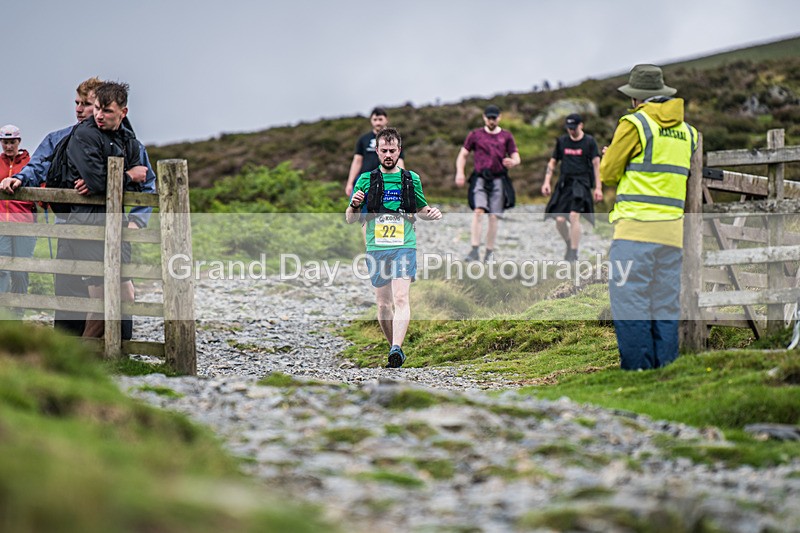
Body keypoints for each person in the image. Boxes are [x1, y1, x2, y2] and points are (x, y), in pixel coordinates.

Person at [0, 77, 156, 336]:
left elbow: (146, 182)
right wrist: (20, 178)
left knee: (114, 285)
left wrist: (136, 221)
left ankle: (117, 345)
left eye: (88, 103)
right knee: (70, 286)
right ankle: (70, 349)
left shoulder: (128, 142)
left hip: (110, 225)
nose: (81, 109)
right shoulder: (60, 138)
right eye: (78, 103)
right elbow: (38, 164)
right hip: (67, 225)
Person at [600, 64, 698, 371]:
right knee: (665, 306)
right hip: (672, 234)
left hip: (635, 231)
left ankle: (638, 372)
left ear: (636, 98)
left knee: (631, 304)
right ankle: (666, 371)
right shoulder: (689, 133)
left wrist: (611, 154)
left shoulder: (635, 124)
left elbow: (608, 173)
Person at [346, 127, 441, 368]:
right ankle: (393, 347)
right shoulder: (366, 179)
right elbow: (350, 219)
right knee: (383, 304)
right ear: (377, 151)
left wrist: (432, 213)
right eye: (384, 150)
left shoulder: (411, 179)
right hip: (376, 246)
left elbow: (422, 209)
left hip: (404, 245)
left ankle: (397, 348)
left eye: (393, 150)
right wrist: (355, 205)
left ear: (399, 150)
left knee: (401, 297)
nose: (388, 154)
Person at [63, 81, 148, 338]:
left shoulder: (127, 139)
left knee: (125, 294)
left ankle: (114, 355)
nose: (99, 115)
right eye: (97, 108)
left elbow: (143, 176)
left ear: (123, 112)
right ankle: (83, 362)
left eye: (107, 111)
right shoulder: (84, 135)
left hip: (116, 224)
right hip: (87, 223)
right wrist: (128, 176)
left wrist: (118, 179)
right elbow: (100, 181)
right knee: (101, 301)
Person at [454, 104, 520, 263]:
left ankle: (489, 252)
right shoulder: (475, 135)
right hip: (480, 178)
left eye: (494, 117)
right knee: (478, 211)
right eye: (489, 117)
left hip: (499, 179)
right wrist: (460, 172)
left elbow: (516, 156)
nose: (491, 120)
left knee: (493, 217)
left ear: (499, 117)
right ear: (484, 117)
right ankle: (475, 249)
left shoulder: (506, 136)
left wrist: (513, 162)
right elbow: (463, 155)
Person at [542, 114, 602, 261]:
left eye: (574, 128)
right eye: (569, 128)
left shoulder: (589, 142)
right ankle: (569, 243)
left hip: (582, 183)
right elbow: (552, 163)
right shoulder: (562, 141)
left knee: (575, 215)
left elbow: (596, 165)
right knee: (560, 220)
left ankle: (573, 254)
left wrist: (598, 188)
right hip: (565, 184)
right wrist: (546, 181)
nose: (571, 131)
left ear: (581, 125)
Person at [0, 125, 35, 313]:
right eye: (5, 142)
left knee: (20, 271)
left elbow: (41, 185)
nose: (8, 146)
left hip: (24, 224)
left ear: (18, 142)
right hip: (2, 224)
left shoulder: (29, 163)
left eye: (12, 142)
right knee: (2, 270)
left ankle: (18, 314)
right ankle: (3, 315)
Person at [345, 107, 405, 197]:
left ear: (386, 120)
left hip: (387, 179)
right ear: (371, 121)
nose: (378, 123)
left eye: (380, 119)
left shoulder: (394, 140)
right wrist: (350, 183)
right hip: (365, 180)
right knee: (357, 206)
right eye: (375, 119)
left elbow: (399, 160)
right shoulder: (363, 139)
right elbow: (357, 161)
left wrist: (403, 179)